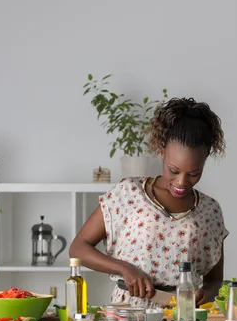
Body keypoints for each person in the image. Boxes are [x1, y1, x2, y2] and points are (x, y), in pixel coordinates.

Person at [69, 97, 228, 307]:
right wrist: (124, 268)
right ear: (161, 152)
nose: (181, 182)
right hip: (130, 313)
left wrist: (206, 293)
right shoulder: (127, 193)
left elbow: (214, 280)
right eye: (173, 170)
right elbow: (78, 248)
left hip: (184, 316)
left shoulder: (210, 210)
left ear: (206, 159)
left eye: (194, 174)